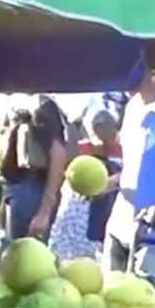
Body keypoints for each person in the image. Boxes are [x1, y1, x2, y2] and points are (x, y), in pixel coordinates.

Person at [105, 64, 155, 276]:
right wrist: (109, 183)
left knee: (147, 297)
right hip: (121, 219)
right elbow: (134, 163)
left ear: (154, 75)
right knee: (110, 290)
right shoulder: (132, 108)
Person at [48, 109, 122, 260]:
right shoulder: (80, 149)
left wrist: (112, 181)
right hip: (77, 212)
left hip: (105, 213)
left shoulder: (125, 149)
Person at [0, 96, 69, 241]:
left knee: (27, 255)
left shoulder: (43, 105)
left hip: (34, 187)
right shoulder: (18, 100)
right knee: (13, 252)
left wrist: (45, 210)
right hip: (18, 186)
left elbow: (58, 151)